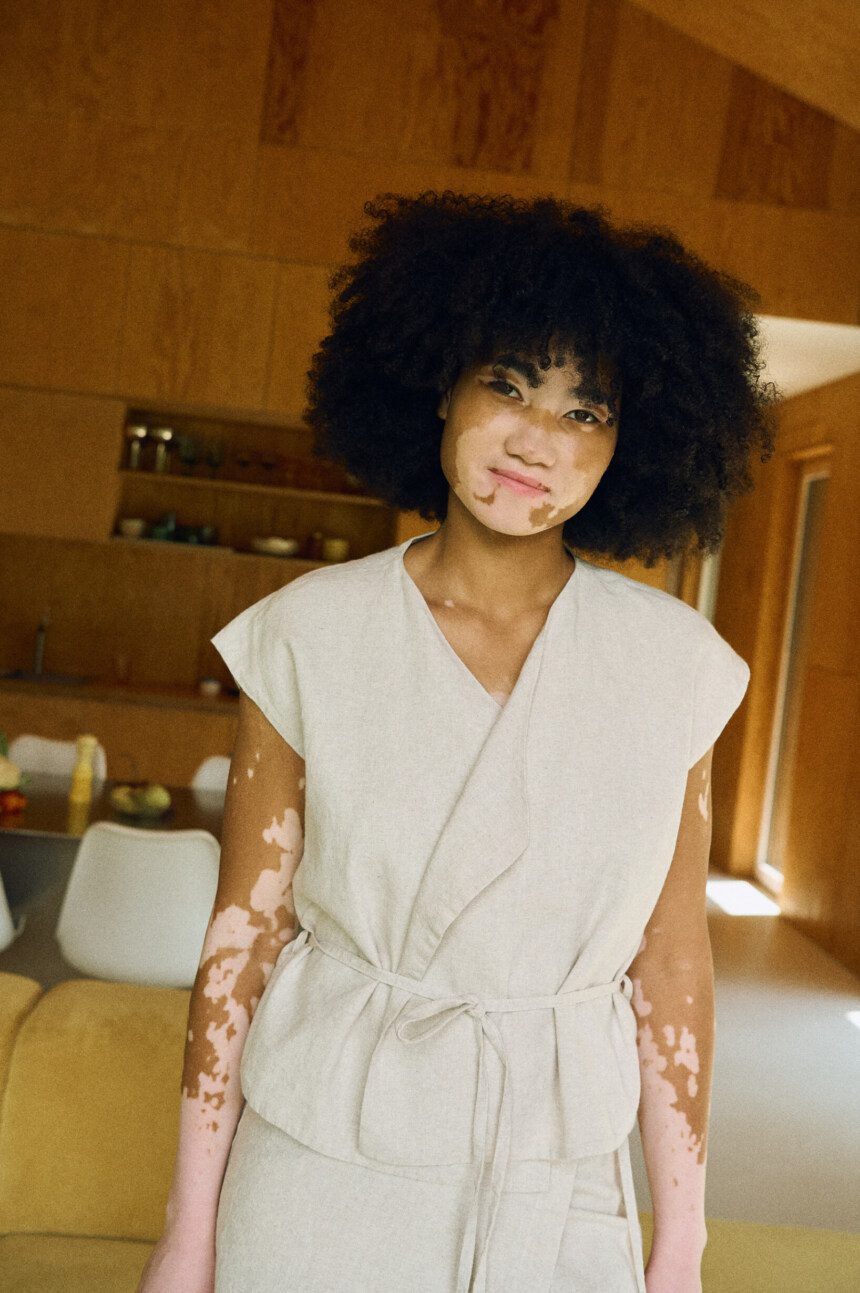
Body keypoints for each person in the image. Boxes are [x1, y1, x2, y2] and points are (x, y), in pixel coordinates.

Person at [138, 191, 775, 1293]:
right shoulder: (307, 635)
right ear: (440, 384)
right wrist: (187, 1233)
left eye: (586, 412)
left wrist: (681, 1245)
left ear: (631, 446)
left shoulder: (675, 667)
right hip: (318, 1155)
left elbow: (670, 965)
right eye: (508, 384)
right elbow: (241, 940)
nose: (536, 437)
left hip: (554, 1165)